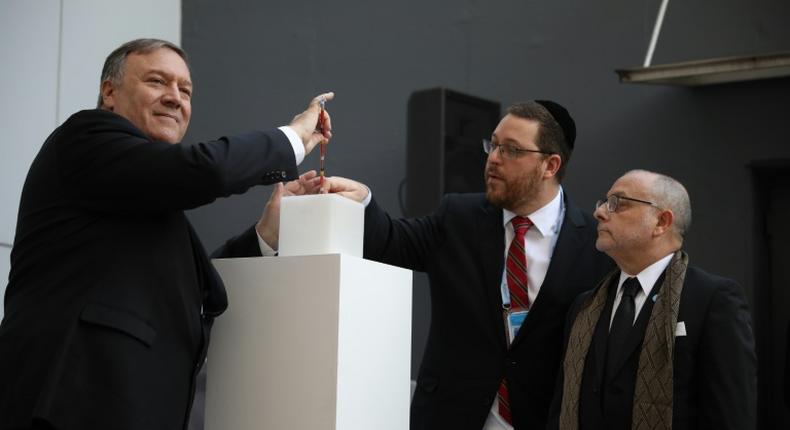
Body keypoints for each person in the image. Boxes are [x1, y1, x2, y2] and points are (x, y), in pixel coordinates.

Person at [0, 38, 331, 430]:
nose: (175, 98)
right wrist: (291, 138)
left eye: (185, 90)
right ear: (110, 92)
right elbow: (206, 170)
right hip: (71, 407)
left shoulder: (140, 195)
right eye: (158, 82)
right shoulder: (85, 139)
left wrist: (266, 234)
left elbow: (190, 291)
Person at [304, 101, 613, 430]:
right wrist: (363, 200)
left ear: (550, 165)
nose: (493, 159)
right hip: (451, 415)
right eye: (492, 145)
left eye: (510, 150)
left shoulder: (594, 245)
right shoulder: (458, 217)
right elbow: (391, 240)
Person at [548, 170, 757, 430]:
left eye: (617, 203)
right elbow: (560, 410)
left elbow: (731, 417)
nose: (600, 213)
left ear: (661, 221)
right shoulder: (584, 306)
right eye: (603, 203)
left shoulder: (712, 300)